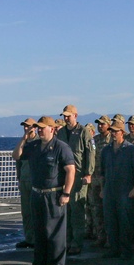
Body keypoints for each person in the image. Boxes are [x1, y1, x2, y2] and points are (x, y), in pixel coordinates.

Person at [13, 116, 76, 265]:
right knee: (39, 231)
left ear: (52, 129)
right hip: (37, 194)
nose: (39, 130)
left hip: (54, 194)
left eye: (42, 127)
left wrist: (66, 193)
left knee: (55, 232)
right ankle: (39, 264)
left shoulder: (61, 147)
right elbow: (16, 155)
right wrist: (25, 137)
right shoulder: (33, 146)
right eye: (38, 128)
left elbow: (70, 170)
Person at [100, 119, 134, 259]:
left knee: (126, 221)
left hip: (125, 190)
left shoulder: (131, 150)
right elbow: (102, 172)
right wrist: (102, 189)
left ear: (122, 132)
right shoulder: (106, 150)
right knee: (111, 220)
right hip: (110, 190)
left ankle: (126, 250)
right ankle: (114, 248)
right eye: (111, 131)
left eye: (115, 131)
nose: (112, 133)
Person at [57, 105, 95, 256]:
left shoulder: (83, 132)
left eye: (69, 116)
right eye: (64, 116)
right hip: (64, 176)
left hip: (79, 176)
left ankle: (77, 242)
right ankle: (66, 241)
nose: (66, 118)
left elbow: (90, 153)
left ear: (75, 115)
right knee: (66, 210)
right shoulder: (60, 133)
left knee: (77, 209)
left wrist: (89, 173)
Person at [14, 118, 39, 249]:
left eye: (28, 126)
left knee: (36, 211)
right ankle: (29, 238)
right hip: (24, 180)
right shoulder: (23, 143)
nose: (26, 128)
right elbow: (17, 159)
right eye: (24, 126)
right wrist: (19, 177)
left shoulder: (39, 142)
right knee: (26, 212)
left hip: (35, 180)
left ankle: (38, 238)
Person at [88, 115, 112, 247]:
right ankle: (100, 236)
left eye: (103, 124)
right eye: (99, 124)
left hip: (107, 179)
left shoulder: (111, 140)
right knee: (96, 208)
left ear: (108, 124)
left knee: (108, 210)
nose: (100, 126)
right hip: (95, 178)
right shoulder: (94, 140)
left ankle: (110, 238)